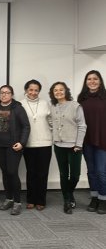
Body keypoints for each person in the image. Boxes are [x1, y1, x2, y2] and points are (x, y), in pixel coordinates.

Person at [0, 85, 30, 215]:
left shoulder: (18, 108)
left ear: (12, 95)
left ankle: (17, 202)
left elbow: (26, 126)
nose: (4, 95)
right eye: (2, 92)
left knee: (12, 172)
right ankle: (9, 198)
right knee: (4, 172)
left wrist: (22, 143)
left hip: (13, 146)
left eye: (7, 93)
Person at [49, 81, 86, 214]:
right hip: (59, 145)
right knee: (63, 174)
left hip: (74, 146)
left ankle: (69, 193)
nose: (58, 92)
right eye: (55, 90)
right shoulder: (53, 106)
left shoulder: (75, 106)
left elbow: (82, 126)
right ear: (52, 93)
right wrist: (54, 133)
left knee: (75, 175)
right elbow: (50, 121)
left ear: (66, 91)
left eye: (61, 90)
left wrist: (78, 144)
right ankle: (67, 200)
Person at [20, 80, 52, 211]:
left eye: (36, 90)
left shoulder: (45, 103)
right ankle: (31, 199)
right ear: (26, 90)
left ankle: (41, 200)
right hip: (28, 143)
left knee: (43, 173)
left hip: (45, 143)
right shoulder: (20, 104)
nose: (33, 92)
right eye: (30, 90)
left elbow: (51, 122)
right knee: (31, 172)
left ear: (39, 91)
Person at [77, 70, 106, 214]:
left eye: (95, 79)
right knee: (91, 171)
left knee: (101, 172)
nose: (92, 81)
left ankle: (103, 199)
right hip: (86, 140)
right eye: (89, 79)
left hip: (103, 141)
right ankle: (94, 197)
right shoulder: (81, 98)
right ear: (86, 82)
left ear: (100, 81)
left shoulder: (105, 97)